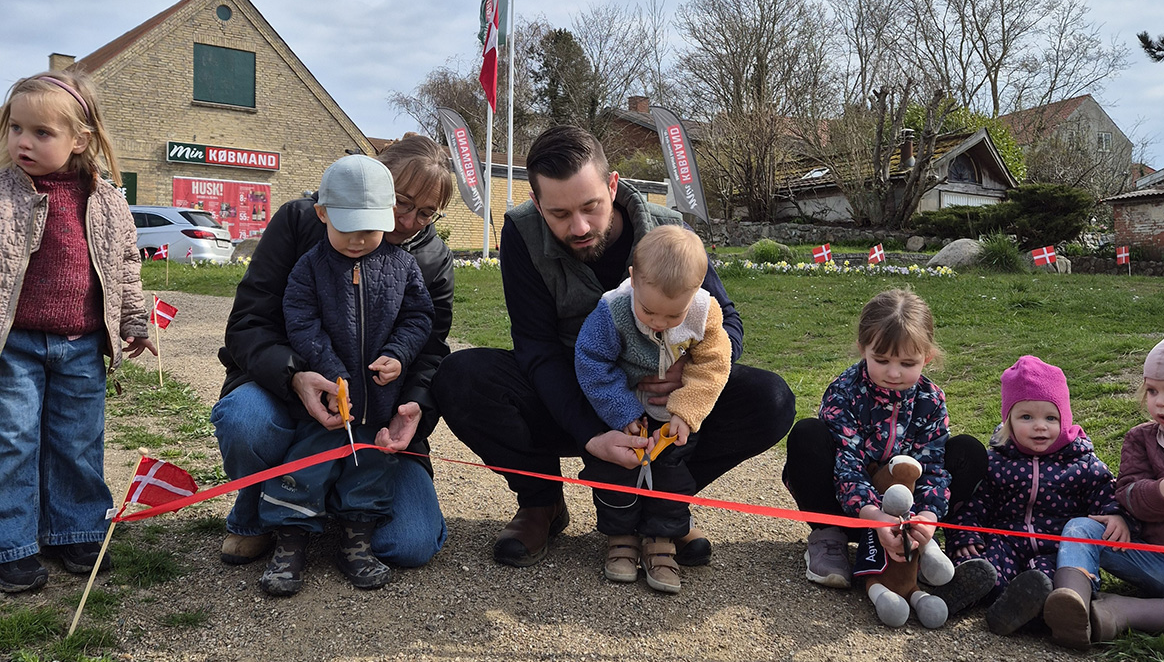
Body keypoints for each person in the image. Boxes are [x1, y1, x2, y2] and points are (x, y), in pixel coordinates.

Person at [433, 125, 795, 569]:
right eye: (559, 214)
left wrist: (689, 376)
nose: (579, 227)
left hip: (665, 401)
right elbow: (536, 349)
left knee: (771, 399)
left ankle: (664, 503)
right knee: (461, 377)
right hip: (576, 390)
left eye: (591, 207)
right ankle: (540, 503)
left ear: (613, 185)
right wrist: (591, 433)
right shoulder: (521, 234)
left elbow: (726, 321)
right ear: (537, 204)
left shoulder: (670, 230)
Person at [211, 134, 455, 570]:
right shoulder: (299, 222)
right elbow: (248, 324)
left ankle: (332, 503)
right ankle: (265, 509)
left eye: (426, 213)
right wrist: (295, 376)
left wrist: (415, 403)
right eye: (401, 202)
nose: (408, 220)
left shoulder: (432, 259)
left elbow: (431, 346)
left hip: (377, 413)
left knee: (409, 545)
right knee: (245, 420)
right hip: (295, 394)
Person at [0, 71, 155, 592]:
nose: (24, 141)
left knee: (78, 441)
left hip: (81, 345)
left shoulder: (107, 200)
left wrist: (136, 318)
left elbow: (124, 265)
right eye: (15, 127)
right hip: (14, 344)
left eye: (42, 132)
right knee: (14, 441)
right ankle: (13, 542)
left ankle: (76, 528)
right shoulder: (2, 194)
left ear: (79, 140)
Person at [254, 155, 433, 596]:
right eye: (346, 226)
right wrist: (332, 373)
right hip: (329, 406)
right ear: (322, 214)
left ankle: (357, 541)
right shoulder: (309, 266)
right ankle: (290, 541)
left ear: (388, 217)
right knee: (305, 468)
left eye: (370, 228)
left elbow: (419, 319)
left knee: (370, 469)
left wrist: (398, 354)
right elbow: (300, 322)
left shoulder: (404, 266)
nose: (358, 239)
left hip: (379, 408)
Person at [782, 289, 992, 614]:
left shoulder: (932, 400)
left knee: (968, 451)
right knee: (808, 434)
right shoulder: (844, 392)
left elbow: (933, 465)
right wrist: (877, 518)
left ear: (928, 358)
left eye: (908, 363)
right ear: (862, 349)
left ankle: (920, 548)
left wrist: (928, 518)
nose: (893, 373)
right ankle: (829, 536)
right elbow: (847, 467)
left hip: (908, 508)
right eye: (881, 360)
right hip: (850, 508)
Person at [575, 225, 732, 594]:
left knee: (673, 474)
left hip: (670, 417)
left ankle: (661, 540)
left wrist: (687, 409)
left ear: (695, 292)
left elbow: (714, 361)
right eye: (649, 312)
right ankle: (620, 537)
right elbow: (591, 360)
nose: (659, 323)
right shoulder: (612, 310)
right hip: (623, 413)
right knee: (613, 472)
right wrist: (622, 410)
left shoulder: (703, 312)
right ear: (633, 278)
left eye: (672, 316)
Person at [944, 355, 1127, 636]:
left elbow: (1105, 493)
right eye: (1026, 417)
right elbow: (975, 503)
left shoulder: (1082, 464)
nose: (1039, 426)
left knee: (1050, 580)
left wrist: (1115, 512)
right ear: (1009, 421)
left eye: (1050, 418)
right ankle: (966, 589)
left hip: (1056, 548)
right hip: (1005, 540)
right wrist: (965, 536)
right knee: (983, 564)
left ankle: (1023, 608)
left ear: (1064, 420)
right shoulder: (999, 461)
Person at [1046, 328, 1164, 650]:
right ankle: (1070, 600)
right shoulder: (1141, 439)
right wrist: (1162, 492)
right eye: (1153, 390)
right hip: (1148, 555)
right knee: (1081, 527)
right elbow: (1128, 493)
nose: (1160, 402)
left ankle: (1122, 612)